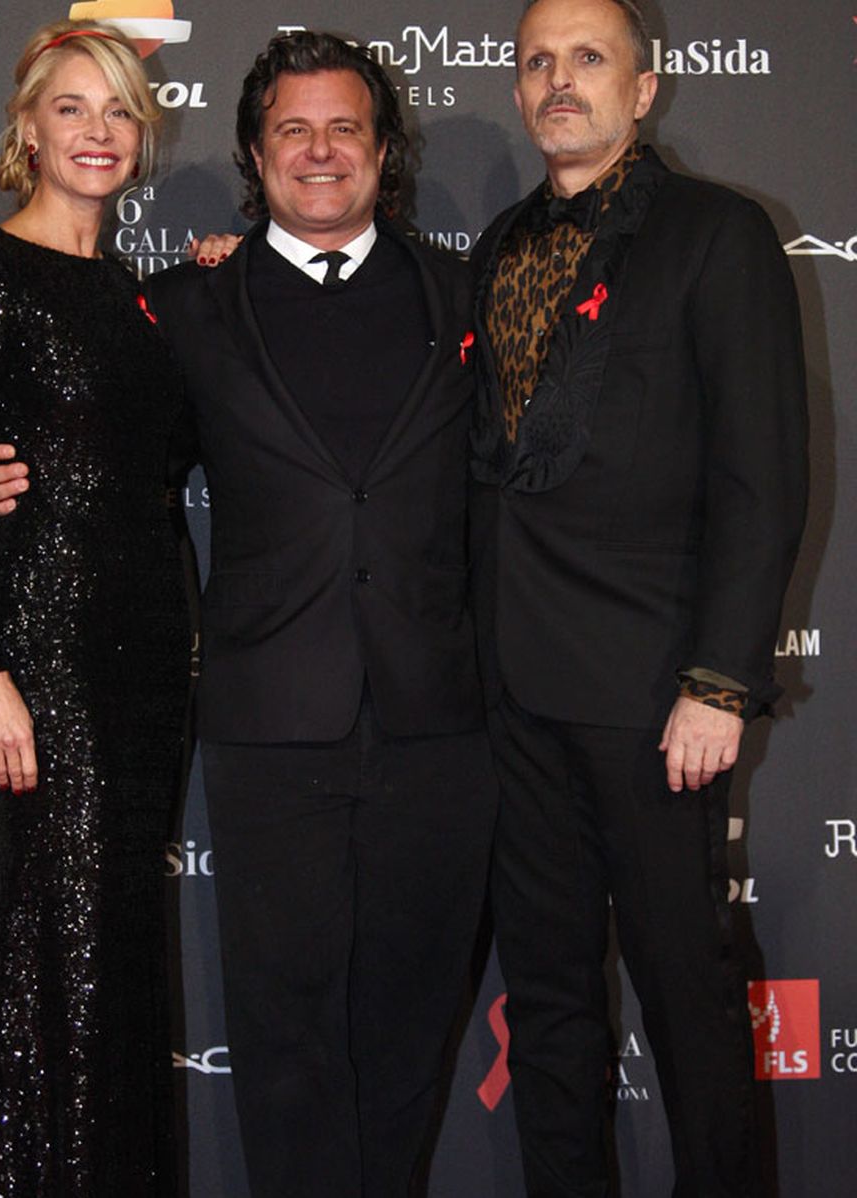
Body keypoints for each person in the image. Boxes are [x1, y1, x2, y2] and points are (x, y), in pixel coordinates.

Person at [0, 29, 497, 1198]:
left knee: (412, 1033)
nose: (320, 152)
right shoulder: (186, 308)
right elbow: (100, 454)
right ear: (256, 156)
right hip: (272, 730)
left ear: (382, 151)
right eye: (292, 131)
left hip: (441, 730)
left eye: (344, 128)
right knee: (285, 1040)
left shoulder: (464, 293)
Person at [469, 0, 808, 1194]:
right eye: (538, 63)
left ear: (645, 88)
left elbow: (762, 478)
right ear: (516, 90)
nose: (560, 81)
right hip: (513, 702)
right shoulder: (498, 246)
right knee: (550, 1011)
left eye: (588, 59)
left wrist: (718, 682)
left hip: (656, 701)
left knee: (691, 1007)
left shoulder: (718, 235)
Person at [0, 20, 192, 1194]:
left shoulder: (132, 294)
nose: (96, 131)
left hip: (149, 669)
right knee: (60, 960)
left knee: (114, 961)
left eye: (118, 110)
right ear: (26, 128)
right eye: (71, 108)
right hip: (52, 663)